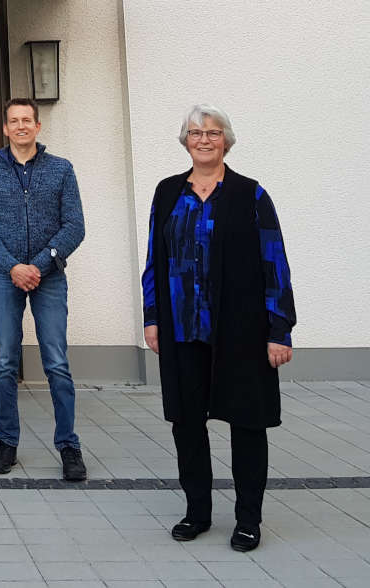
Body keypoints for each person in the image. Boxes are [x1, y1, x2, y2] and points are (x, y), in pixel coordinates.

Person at [142, 104, 295, 552]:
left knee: (247, 422)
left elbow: (275, 261)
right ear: (185, 141)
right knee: (186, 422)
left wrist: (279, 328)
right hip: (183, 327)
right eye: (195, 133)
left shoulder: (251, 194)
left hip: (242, 329)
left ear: (226, 140)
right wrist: (153, 317)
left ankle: (248, 519)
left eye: (212, 133)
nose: (203, 140)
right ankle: (197, 512)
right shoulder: (168, 192)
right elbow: (156, 258)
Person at [0, 98, 87, 481]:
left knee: (56, 362)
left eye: (27, 120)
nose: (20, 126)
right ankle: (6, 443)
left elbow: (74, 226)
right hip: (6, 277)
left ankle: (69, 446)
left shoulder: (61, 170)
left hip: (48, 277)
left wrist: (37, 265)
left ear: (38, 126)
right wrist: (13, 267)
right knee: (4, 362)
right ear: (4, 129)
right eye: (13, 121)